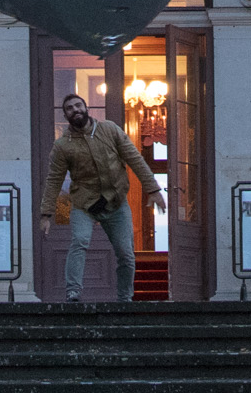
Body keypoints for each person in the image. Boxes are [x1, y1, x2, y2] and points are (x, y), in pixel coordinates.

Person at [42, 89, 162, 305]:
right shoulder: (62, 146)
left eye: (78, 105)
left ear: (86, 108)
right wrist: (46, 213)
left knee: (126, 254)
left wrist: (153, 189)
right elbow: (54, 180)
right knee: (79, 241)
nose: (75, 110)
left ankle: (125, 299)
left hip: (116, 203)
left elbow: (135, 158)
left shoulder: (109, 129)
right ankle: (73, 294)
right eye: (69, 108)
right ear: (66, 116)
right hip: (84, 205)